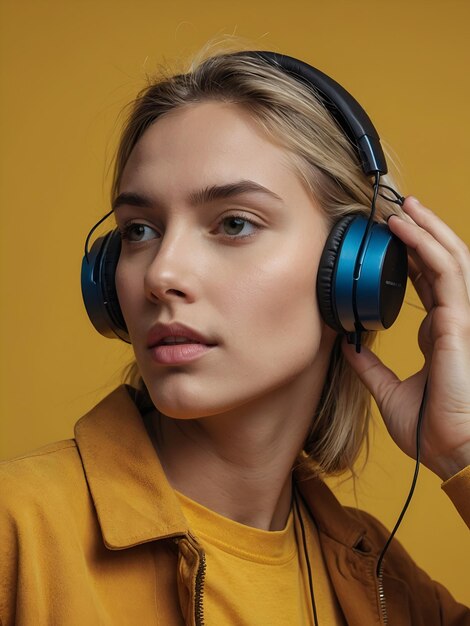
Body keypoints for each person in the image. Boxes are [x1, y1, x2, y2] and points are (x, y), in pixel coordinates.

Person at [1, 49, 469, 626]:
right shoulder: (18, 531)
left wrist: (464, 450)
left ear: (359, 269)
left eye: (234, 223)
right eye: (139, 231)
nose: (161, 274)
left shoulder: (378, 585)